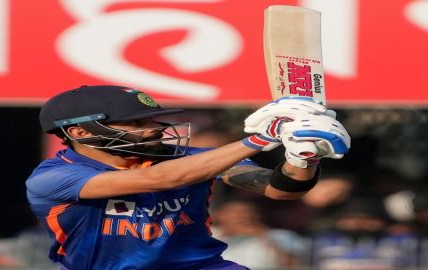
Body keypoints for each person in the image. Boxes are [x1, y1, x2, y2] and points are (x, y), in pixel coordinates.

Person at [26, 85, 350, 270]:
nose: (153, 128)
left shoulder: (192, 159)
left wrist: (303, 157)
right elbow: (160, 180)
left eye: (151, 120)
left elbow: (280, 190)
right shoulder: (55, 177)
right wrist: (261, 139)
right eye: (136, 124)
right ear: (80, 132)